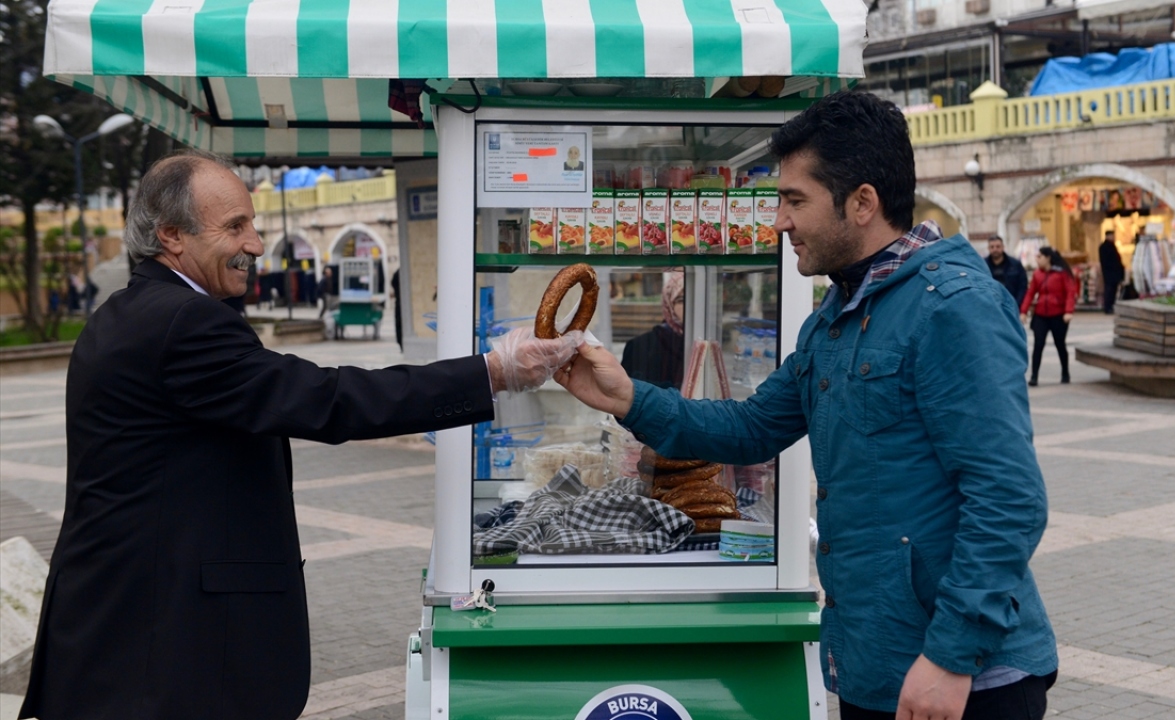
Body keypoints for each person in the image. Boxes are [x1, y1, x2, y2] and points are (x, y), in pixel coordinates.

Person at [19, 150, 581, 720]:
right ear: (171, 236)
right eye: (235, 226)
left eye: (254, 224)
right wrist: (493, 372)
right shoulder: (183, 322)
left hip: (122, 632)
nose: (257, 244)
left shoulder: (127, 313)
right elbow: (326, 399)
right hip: (165, 655)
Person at [557, 91, 1057, 720]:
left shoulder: (952, 308)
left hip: (963, 682)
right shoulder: (837, 317)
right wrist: (628, 399)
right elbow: (751, 428)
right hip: (877, 664)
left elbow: (1008, 498)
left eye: (795, 201)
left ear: (863, 203)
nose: (779, 222)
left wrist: (952, 657)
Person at [1021, 246, 1077, 386]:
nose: (1037, 259)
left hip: (1058, 315)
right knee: (1038, 345)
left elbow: (1070, 293)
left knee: (1060, 344)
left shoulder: (1062, 273)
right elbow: (1031, 293)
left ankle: (1065, 373)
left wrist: (1068, 311)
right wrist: (1023, 311)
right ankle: (1034, 376)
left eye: (1040, 257)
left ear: (1048, 258)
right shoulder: (1037, 274)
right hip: (1041, 314)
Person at [620, 272, 684, 389]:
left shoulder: (708, 341)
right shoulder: (640, 347)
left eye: (695, 299)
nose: (689, 305)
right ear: (669, 304)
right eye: (681, 300)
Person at [985, 236, 1027, 305]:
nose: (995, 249)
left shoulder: (1015, 264)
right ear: (988, 248)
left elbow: (1022, 286)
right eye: (992, 247)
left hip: (1011, 305)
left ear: (1003, 247)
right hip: (990, 306)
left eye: (998, 246)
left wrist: (1016, 303)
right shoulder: (983, 266)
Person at [1098, 231, 1125, 314]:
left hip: (1114, 273)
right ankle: (1108, 307)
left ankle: (1111, 306)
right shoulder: (1104, 247)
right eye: (1112, 236)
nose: (1113, 237)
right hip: (1109, 273)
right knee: (1109, 290)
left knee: (1113, 290)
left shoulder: (1112, 246)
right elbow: (1106, 261)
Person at [391, 267, 402, 351]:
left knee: (399, 323)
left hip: (399, 302)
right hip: (400, 301)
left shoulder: (398, 272)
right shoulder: (401, 272)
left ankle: (400, 343)